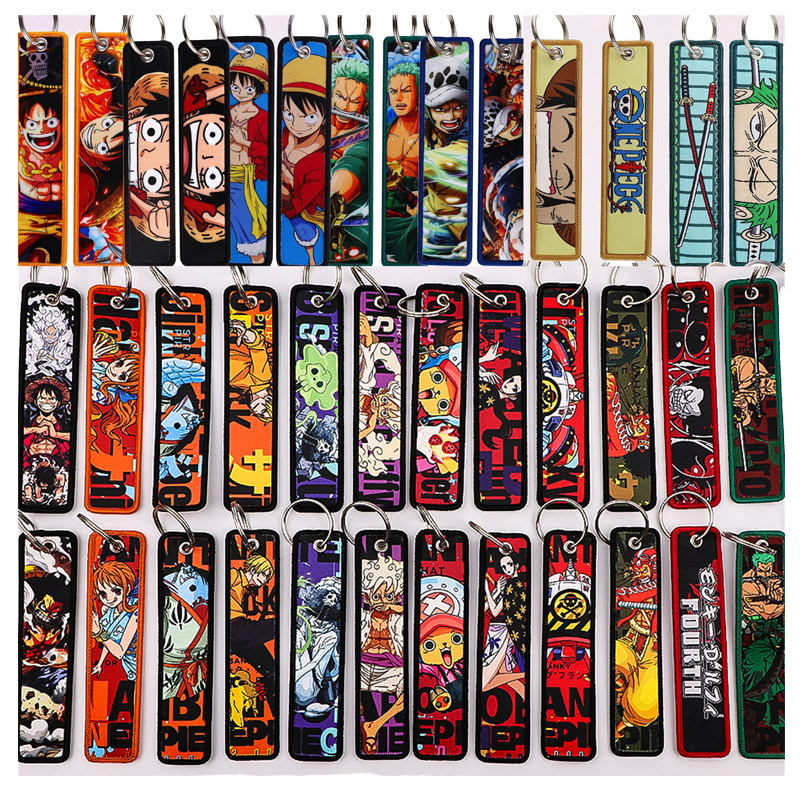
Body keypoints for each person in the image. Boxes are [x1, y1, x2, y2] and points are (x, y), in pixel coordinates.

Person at [281, 53, 328, 265]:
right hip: (276, 198)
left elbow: (298, 203)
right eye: (289, 114)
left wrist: (285, 195)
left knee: (304, 230)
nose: (296, 125)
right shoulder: (285, 134)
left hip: (305, 210)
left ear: (324, 116)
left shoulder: (319, 160)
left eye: (309, 117)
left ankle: (311, 258)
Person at [229, 52, 270, 263]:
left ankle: (258, 259)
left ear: (258, 90)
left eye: (248, 89)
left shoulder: (263, 117)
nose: (241, 93)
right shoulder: (227, 111)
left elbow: (270, 150)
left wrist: (243, 141)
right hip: (221, 174)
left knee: (245, 219)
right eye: (235, 87)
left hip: (243, 177)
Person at [91, 560, 139, 680]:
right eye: (103, 594)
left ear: (127, 588)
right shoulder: (107, 610)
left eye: (116, 591)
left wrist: (98, 632)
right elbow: (109, 638)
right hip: (126, 665)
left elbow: (119, 652)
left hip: (136, 663)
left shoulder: (136, 611)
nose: (109, 598)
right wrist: (100, 663)